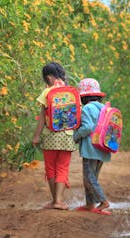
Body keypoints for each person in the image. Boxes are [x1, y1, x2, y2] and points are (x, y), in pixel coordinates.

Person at [32, 62, 77, 210]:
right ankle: (59, 201)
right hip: (67, 137)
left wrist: (36, 137)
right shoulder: (71, 91)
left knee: (50, 168)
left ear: (49, 78)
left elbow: (42, 118)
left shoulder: (47, 93)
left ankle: (54, 201)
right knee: (62, 168)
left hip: (50, 136)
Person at [73, 78, 112, 215]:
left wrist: (76, 136)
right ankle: (90, 205)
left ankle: (103, 201)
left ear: (84, 97)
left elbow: (87, 127)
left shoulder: (87, 108)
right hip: (103, 148)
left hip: (91, 149)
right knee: (92, 177)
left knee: (88, 178)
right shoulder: (104, 108)